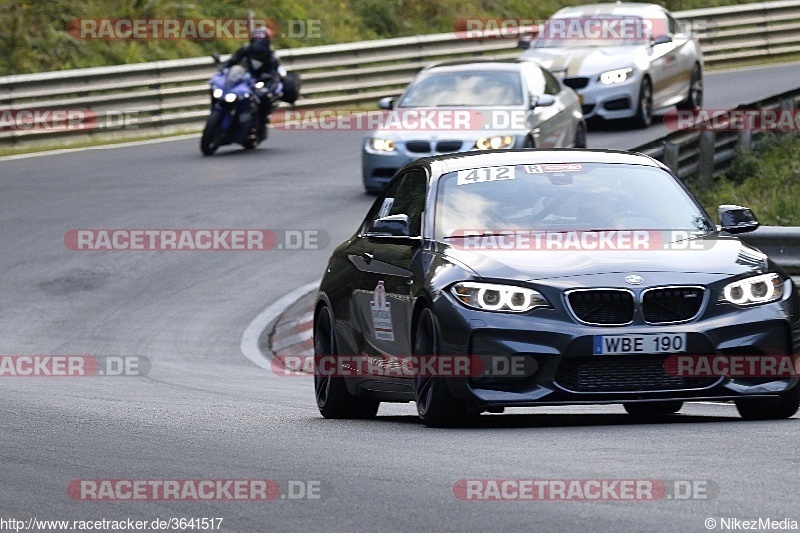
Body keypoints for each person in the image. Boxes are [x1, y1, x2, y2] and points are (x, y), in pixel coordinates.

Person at [223, 28, 284, 141]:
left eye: (261, 42)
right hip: (247, 77)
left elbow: (273, 75)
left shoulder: (271, 56)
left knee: (264, 98)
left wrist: (267, 87)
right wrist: (223, 69)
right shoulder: (246, 49)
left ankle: (261, 125)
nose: (258, 46)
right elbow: (233, 60)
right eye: (255, 41)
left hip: (263, 80)